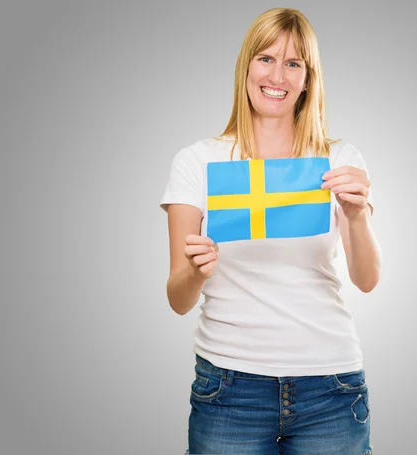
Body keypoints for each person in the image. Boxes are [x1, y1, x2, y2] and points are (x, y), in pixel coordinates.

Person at [159, 7, 382, 455]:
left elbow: (367, 280)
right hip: (228, 388)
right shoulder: (198, 161)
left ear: (307, 78)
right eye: (266, 58)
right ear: (246, 67)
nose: (276, 74)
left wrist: (356, 216)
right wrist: (198, 272)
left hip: (332, 386)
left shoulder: (339, 160)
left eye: (293, 63)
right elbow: (178, 299)